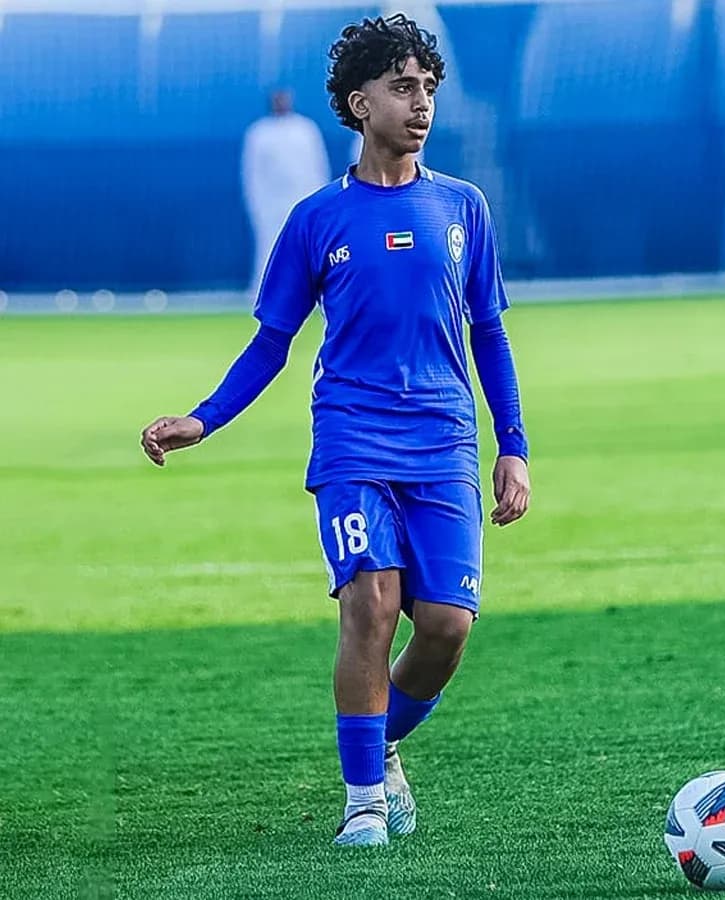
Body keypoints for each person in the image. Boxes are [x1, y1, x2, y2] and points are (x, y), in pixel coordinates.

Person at [140, 14, 531, 848]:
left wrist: (514, 446)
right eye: (401, 86)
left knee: (447, 627)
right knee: (371, 603)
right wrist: (201, 419)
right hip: (353, 439)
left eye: (427, 86)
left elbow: (490, 333)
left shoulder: (464, 207)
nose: (420, 101)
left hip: (443, 443)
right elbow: (271, 342)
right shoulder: (318, 219)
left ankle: (379, 741)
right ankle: (364, 802)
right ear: (359, 103)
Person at [242, 89, 330, 295]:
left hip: (303, 197)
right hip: (270, 203)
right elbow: (252, 173)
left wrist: (320, 202)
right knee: (270, 245)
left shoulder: (306, 129)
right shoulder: (259, 133)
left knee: (308, 245)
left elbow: (318, 166)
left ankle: (313, 290)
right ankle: (265, 291)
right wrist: (256, 203)